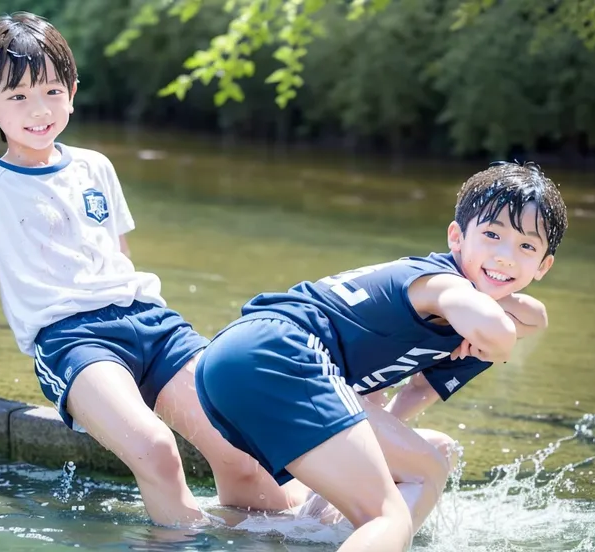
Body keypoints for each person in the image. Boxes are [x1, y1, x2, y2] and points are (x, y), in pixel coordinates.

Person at [0, 11, 308, 528]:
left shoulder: (96, 166)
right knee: (156, 450)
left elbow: (118, 258)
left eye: (52, 91)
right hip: (72, 341)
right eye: (18, 98)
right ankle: (181, 542)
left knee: (245, 454)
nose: (40, 110)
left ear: (73, 91)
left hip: (151, 324)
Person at [195, 160, 568, 550]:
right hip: (285, 352)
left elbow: (420, 390)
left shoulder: (470, 314)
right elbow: (500, 333)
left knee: (432, 451)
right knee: (413, 487)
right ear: (456, 238)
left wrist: (501, 324)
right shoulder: (442, 284)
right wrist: (497, 335)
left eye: (526, 246)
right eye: (492, 234)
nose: (506, 256)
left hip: (234, 358)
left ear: (543, 266)